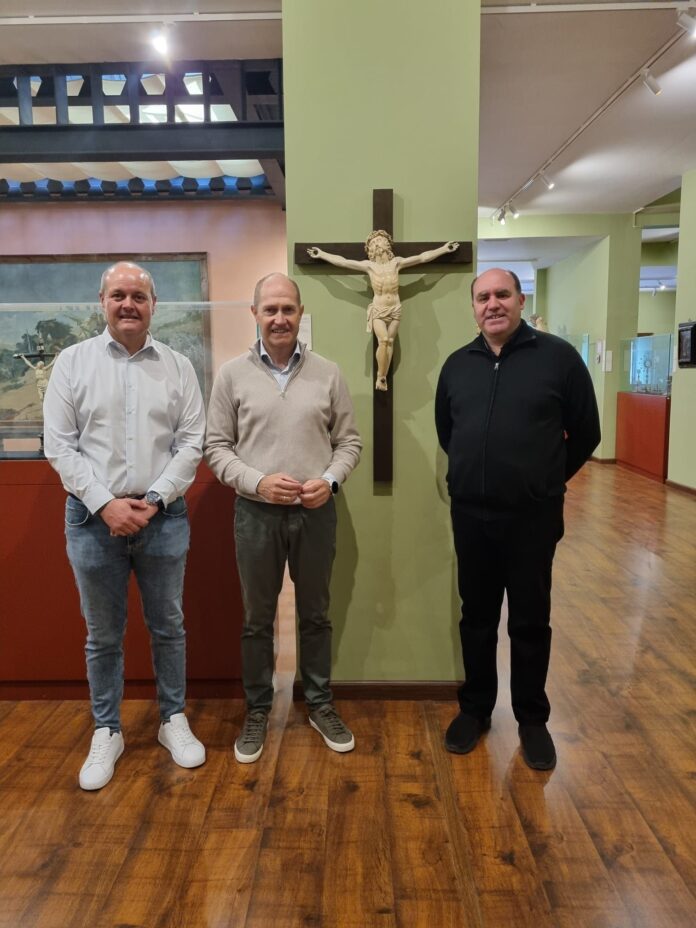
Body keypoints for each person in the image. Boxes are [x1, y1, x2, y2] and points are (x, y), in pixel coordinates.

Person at [43, 261, 207, 790]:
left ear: (154, 304)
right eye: (119, 295)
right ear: (102, 301)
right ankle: (108, 729)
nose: (128, 304)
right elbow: (60, 446)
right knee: (103, 635)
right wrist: (105, 503)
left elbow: (191, 444)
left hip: (164, 517)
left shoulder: (179, 366)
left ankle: (171, 719)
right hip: (92, 520)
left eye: (138, 295)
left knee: (169, 627)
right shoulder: (72, 363)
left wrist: (155, 499)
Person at [435, 268, 600, 770]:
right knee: (477, 618)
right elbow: (449, 432)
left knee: (530, 621)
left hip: (533, 518)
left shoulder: (558, 359)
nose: (492, 304)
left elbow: (587, 433)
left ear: (520, 299)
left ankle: (532, 719)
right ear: (473, 307)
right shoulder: (457, 365)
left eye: (502, 294)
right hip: (472, 517)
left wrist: (543, 483)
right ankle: (476, 709)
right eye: (482, 297)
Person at [204, 272, 362, 763]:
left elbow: (349, 443)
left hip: (316, 514)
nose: (279, 318)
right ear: (254, 314)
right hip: (256, 515)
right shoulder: (231, 375)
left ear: (299, 314)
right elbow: (216, 448)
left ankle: (318, 703)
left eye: (287, 309)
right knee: (257, 619)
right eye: (269, 309)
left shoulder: (328, 373)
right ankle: (257, 709)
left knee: (315, 615)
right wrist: (257, 482)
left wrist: (330, 481)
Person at [308, 231, 458, 390]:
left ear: (388, 245)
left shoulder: (397, 263)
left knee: (390, 342)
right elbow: (343, 262)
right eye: (374, 242)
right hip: (379, 309)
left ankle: (382, 377)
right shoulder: (369, 266)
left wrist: (443, 249)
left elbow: (422, 257)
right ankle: (380, 375)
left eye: (381, 240)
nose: (378, 243)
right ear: (370, 249)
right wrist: (322, 254)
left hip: (395, 308)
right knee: (384, 340)